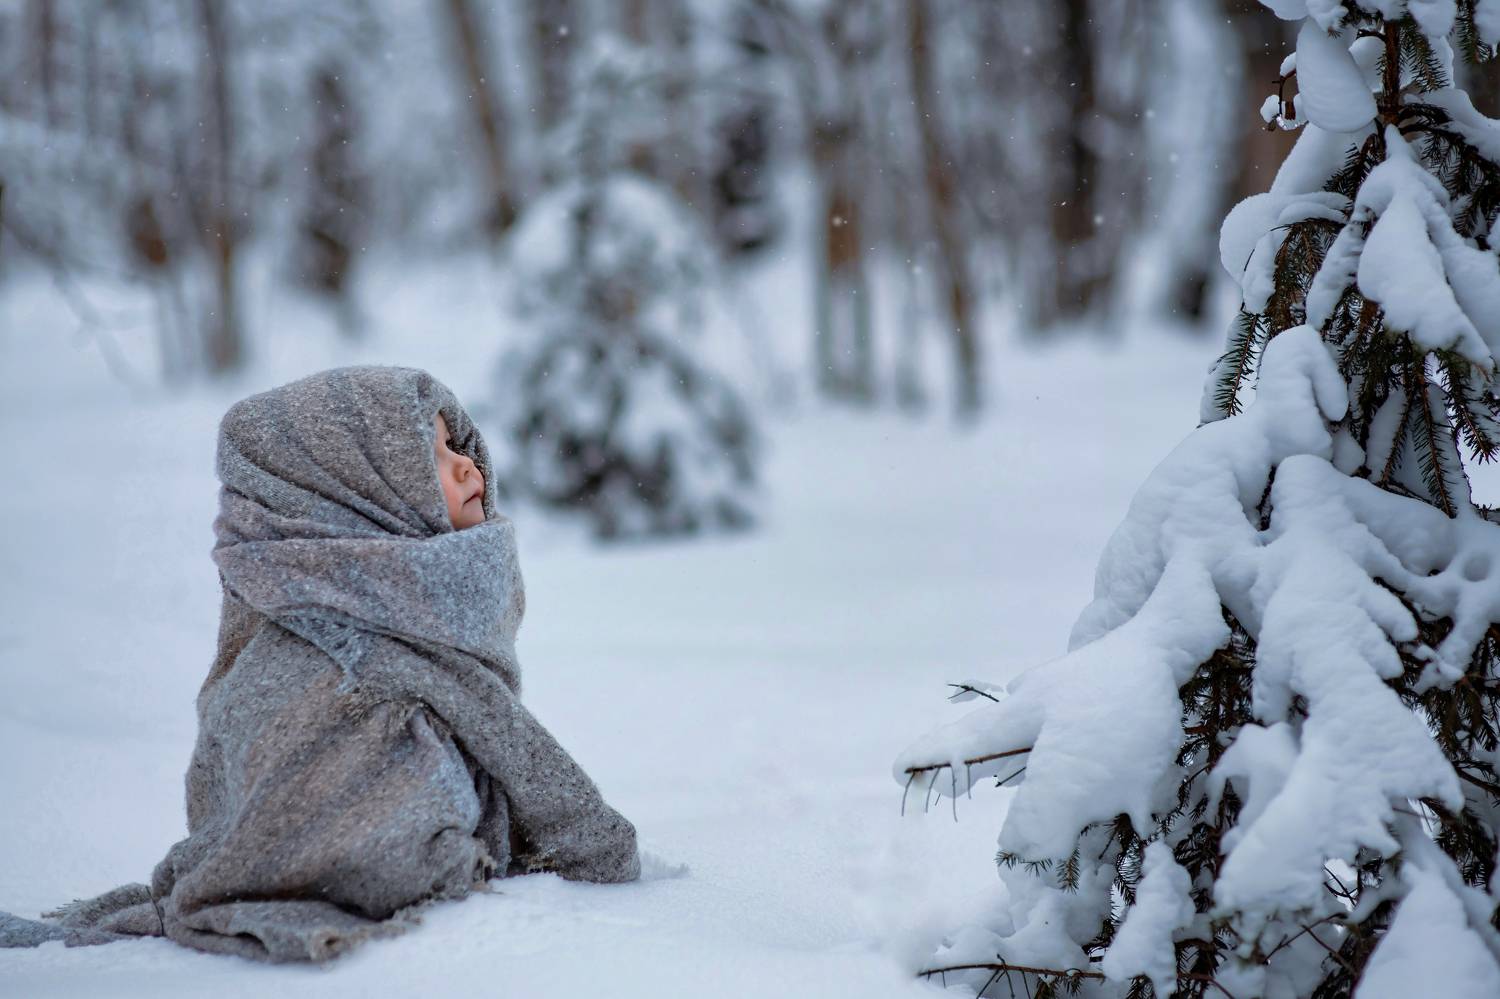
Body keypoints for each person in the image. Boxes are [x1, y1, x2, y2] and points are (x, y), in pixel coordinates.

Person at [0, 365, 640, 962]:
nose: (468, 465)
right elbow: (328, 816)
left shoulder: (411, 610)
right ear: (359, 494)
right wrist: (503, 849)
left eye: (458, 446)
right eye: (433, 458)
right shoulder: (325, 655)